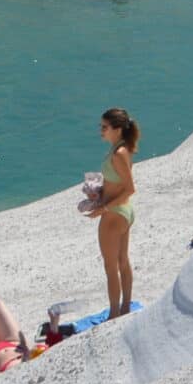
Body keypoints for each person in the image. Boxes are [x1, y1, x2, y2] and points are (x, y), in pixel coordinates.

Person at [81, 109, 138, 321]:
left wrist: (103, 209)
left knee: (111, 266)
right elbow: (119, 184)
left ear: (117, 129)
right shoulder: (120, 149)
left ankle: (115, 313)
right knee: (122, 261)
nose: (101, 131)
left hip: (114, 213)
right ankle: (125, 307)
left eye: (105, 127)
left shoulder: (119, 153)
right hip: (123, 211)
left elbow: (130, 188)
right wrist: (98, 192)